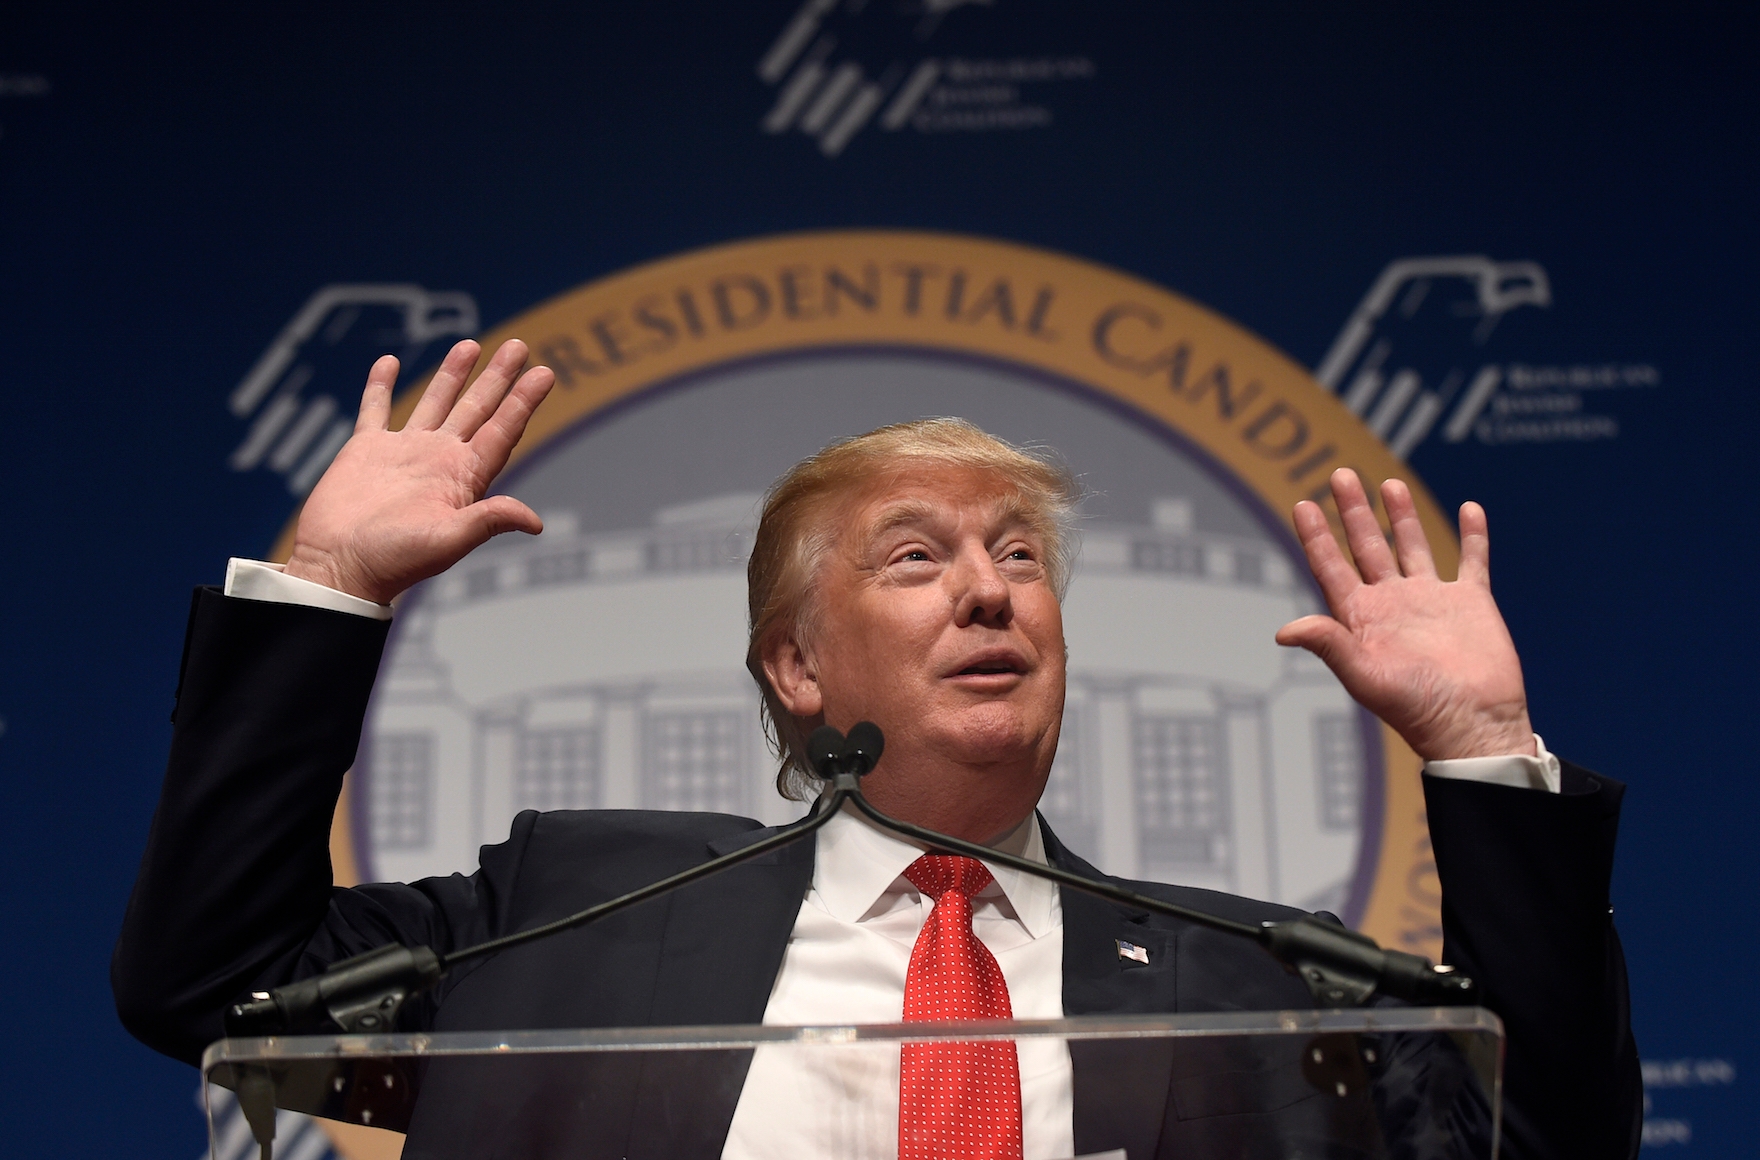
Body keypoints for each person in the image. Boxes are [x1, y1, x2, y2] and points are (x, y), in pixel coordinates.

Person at [114, 339, 1639, 1159]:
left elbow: (1543, 1139)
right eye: (914, 560)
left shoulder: (1261, 983)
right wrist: (325, 585)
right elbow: (210, 983)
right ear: (793, 662)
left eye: (1022, 557)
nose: (990, 586)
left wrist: (1484, 746)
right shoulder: (569, 905)